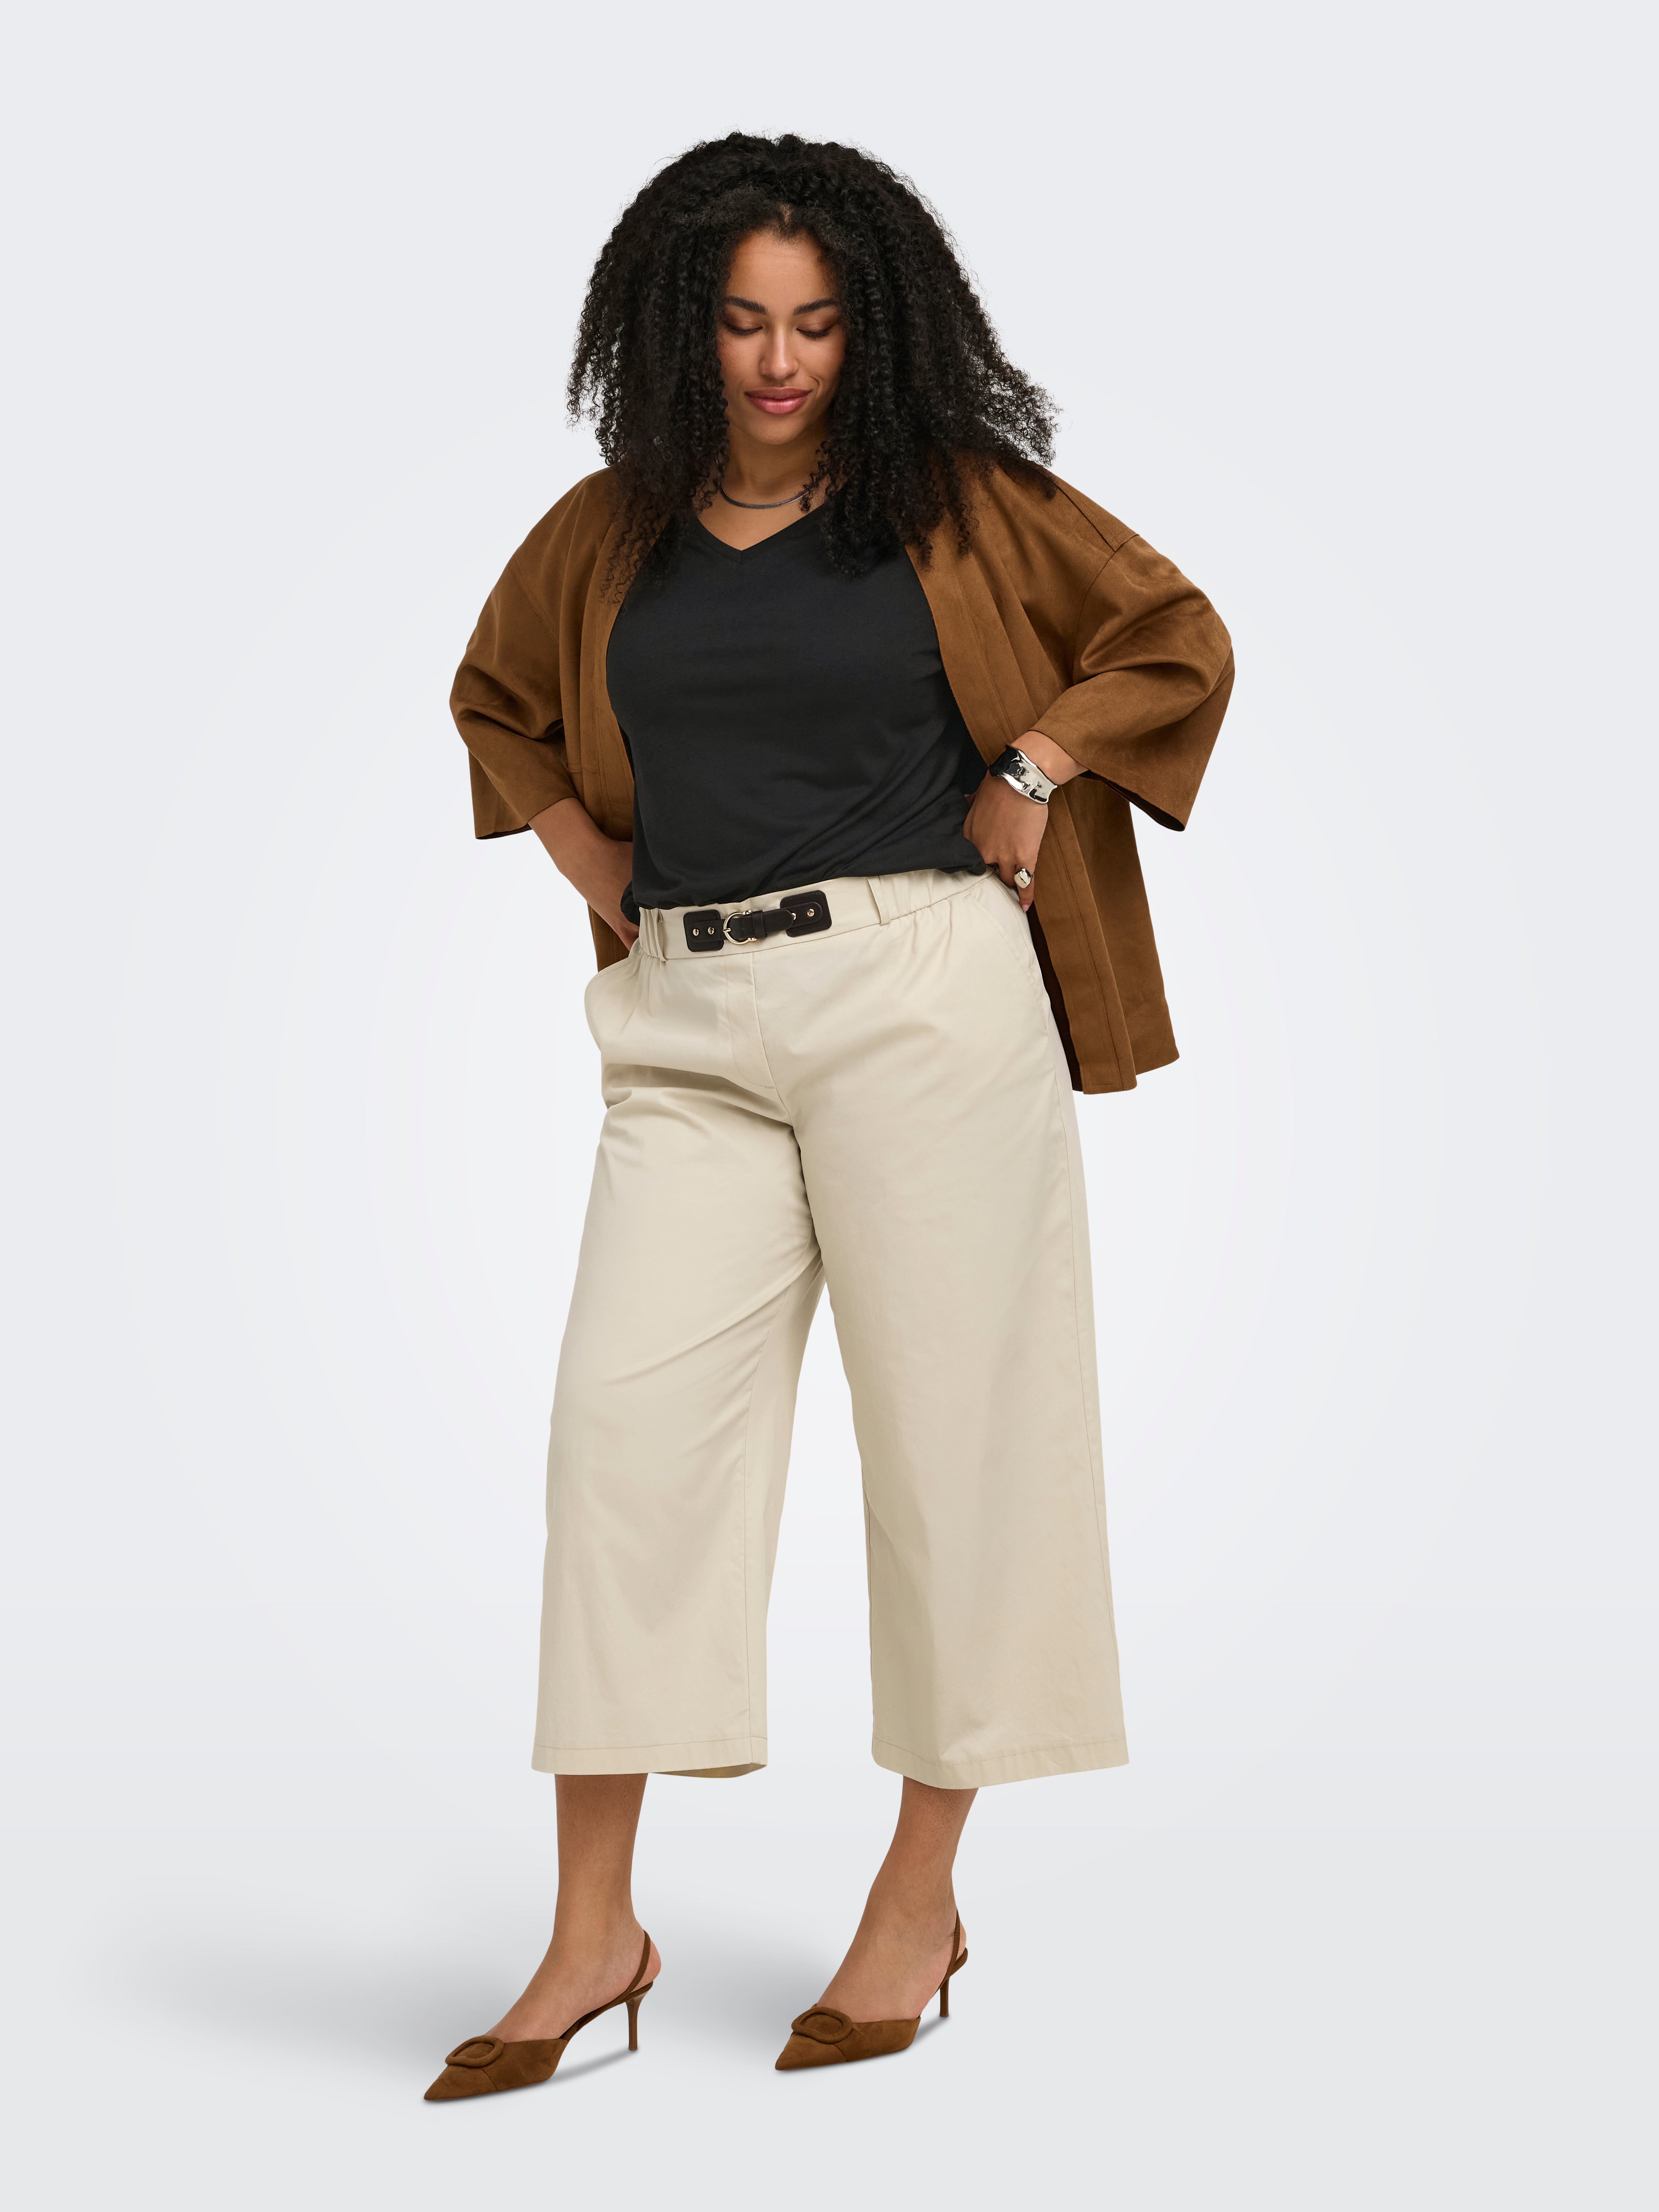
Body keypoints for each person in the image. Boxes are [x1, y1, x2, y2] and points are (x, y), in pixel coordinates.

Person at [426, 132, 1233, 2101]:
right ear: (676, 331)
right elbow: (496, 701)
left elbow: (1173, 636)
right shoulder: (604, 532)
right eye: (741, 322)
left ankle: (917, 1897)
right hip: (685, 1014)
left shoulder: (958, 503)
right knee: (623, 1447)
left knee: (962, 1446)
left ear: (874, 329)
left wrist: (1035, 764)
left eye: (816, 321)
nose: (779, 361)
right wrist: (581, 853)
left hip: (921, 997)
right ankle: (595, 1930)